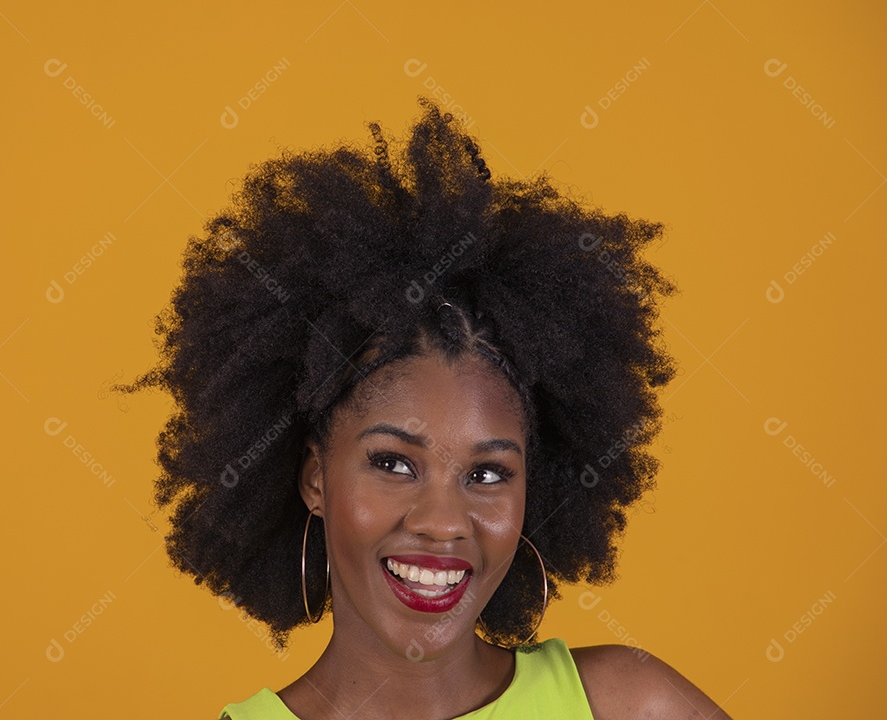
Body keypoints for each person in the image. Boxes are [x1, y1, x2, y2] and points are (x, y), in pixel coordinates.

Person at [114, 96, 733, 719]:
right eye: (394, 463)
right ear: (314, 478)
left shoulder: (630, 706)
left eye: (487, 474)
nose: (443, 522)